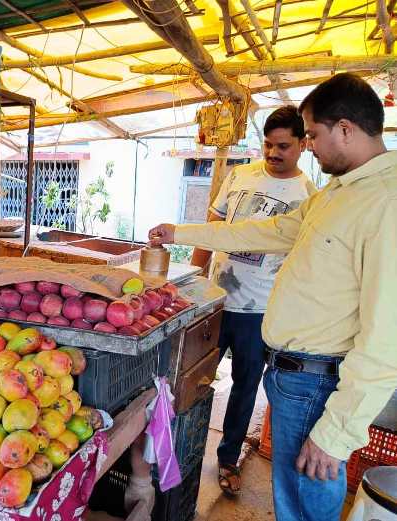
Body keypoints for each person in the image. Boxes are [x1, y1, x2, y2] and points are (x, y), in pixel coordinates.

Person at [148, 73, 397, 521]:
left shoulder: (386, 202)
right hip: (292, 376)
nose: (311, 147)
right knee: (291, 499)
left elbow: (387, 336)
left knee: (303, 503)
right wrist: (180, 232)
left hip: (316, 383)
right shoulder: (336, 194)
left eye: (314, 135)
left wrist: (337, 433)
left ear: (345, 128)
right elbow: (267, 230)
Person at [189, 106, 316, 496]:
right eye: (268, 144)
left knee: (245, 387)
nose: (273, 153)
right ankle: (186, 448)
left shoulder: (307, 195)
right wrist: (195, 282)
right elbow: (212, 231)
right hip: (215, 299)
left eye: (283, 146)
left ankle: (227, 459)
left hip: (259, 309)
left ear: (303, 145)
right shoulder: (240, 175)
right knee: (194, 380)